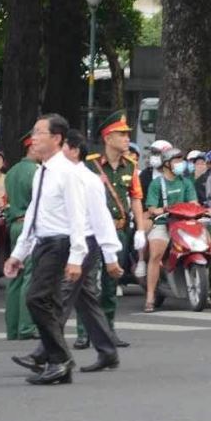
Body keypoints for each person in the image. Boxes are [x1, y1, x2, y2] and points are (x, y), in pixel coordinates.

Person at [15, 130, 123, 375]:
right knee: (85, 300)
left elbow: (101, 218)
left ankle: (43, 353)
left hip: (83, 245)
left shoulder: (88, 179)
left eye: (64, 147)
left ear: (73, 150)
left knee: (60, 299)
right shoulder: (53, 174)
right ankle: (107, 351)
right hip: (67, 243)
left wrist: (110, 256)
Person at [1, 114, 93, 385]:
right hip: (43, 243)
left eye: (39, 132)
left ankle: (60, 359)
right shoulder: (42, 171)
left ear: (56, 138)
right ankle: (57, 362)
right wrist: (19, 253)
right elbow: (34, 215)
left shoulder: (68, 173)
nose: (34, 136)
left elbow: (78, 217)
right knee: (49, 303)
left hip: (60, 243)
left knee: (36, 299)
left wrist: (77, 257)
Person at [77, 112, 143, 350]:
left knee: (110, 282)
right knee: (87, 282)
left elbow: (135, 198)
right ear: (107, 137)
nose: (127, 139)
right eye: (121, 134)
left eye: (127, 134)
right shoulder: (89, 164)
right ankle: (84, 332)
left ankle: (108, 330)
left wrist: (141, 229)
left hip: (119, 230)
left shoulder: (131, 166)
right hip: (92, 231)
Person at [142, 146, 198, 312]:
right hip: (162, 223)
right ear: (166, 164)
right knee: (156, 255)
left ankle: (204, 292)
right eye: (177, 160)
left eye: (182, 160)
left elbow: (193, 203)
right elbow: (152, 208)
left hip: (183, 224)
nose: (181, 164)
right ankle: (150, 296)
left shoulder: (186, 182)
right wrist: (162, 210)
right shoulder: (157, 183)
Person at [2, 132, 41, 341]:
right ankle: (26, 327)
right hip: (29, 226)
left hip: (14, 224)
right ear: (33, 147)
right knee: (30, 277)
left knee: (14, 278)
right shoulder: (37, 172)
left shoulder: (12, 171)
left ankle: (12, 328)